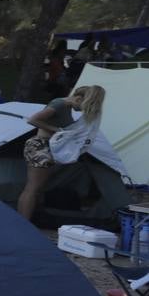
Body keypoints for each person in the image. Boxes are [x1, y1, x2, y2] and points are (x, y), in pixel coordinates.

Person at [18, 85, 106, 222]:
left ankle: (27, 219)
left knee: (38, 188)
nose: (82, 109)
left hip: (49, 147)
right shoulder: (59, 104)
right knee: (32, 188)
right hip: (40, 146)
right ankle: (22, 223)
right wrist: (57, 130)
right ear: (78, 98)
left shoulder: (66, 107)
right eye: (83, 105)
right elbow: (33, 120)